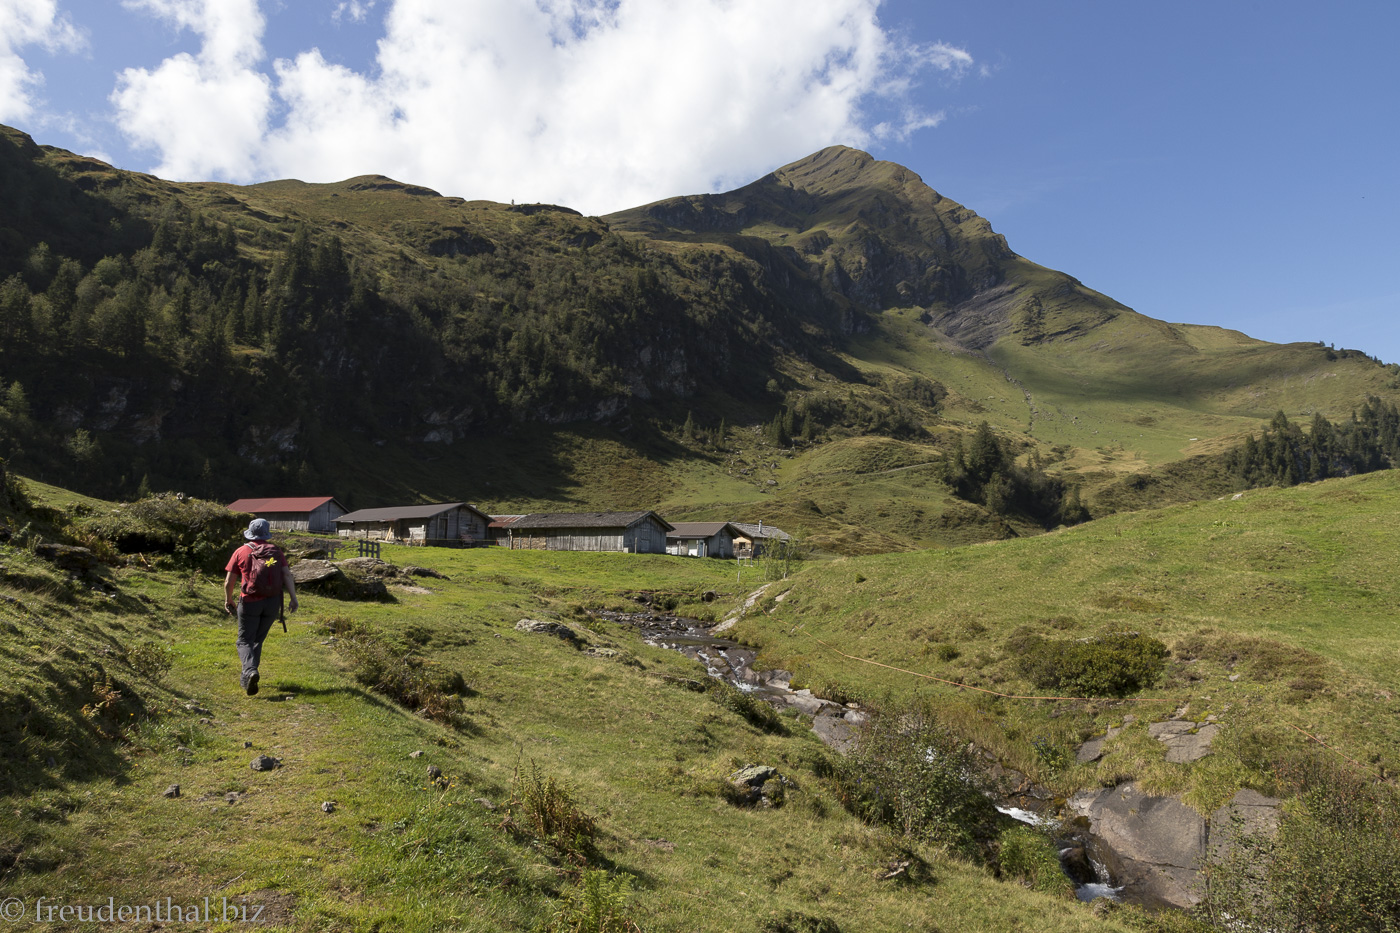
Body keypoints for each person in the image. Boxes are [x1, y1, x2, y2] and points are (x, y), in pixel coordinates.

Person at [223, 518, 297, 696]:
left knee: (244, 641)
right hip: (272, 602)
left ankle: (250, 672)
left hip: (249, 601)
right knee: (257, 640)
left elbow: (228, 581)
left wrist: (228, 599)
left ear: (250, 533)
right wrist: (293, 598)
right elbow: (287, 574)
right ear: (266, 533)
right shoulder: (276, 552)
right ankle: (246, 679)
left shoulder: (241, 551)